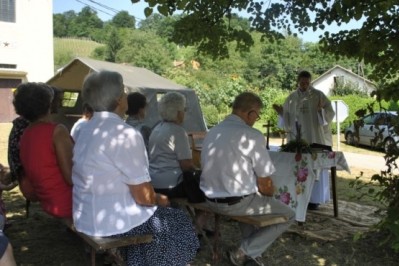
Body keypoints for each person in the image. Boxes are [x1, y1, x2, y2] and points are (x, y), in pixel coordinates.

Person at [72, 71, 199, 266]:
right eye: (123, 92)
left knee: (161, 218)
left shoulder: (85, 128)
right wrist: (158, 198)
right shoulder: (124, 134)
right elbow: (144, 197)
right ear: (119, 100)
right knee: (176, 221)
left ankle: (139, 261)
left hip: (85, 215)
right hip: (110, 222)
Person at [200, 92, 295, 266]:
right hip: (235, 203)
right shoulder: (252, 135)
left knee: (250, 197)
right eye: (257, 115)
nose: (256, 119)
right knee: (289, 214)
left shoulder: (213, 132)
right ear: (250, 113)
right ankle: (243, 251)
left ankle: (250, 253)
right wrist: (270, 194)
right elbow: (265, 184)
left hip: (209, 199)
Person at [273, 70, 335, 210]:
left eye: (307, 83)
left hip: (314, 135)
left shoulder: (318, 95)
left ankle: (314, 200)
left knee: (313, 166)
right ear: (298, 82)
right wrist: (281, 113)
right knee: (299, 167)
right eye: (302, 82)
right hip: (297, 137)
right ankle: (298, 197)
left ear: (310, 82)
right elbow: (287, 120)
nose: (304, 85)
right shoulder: (291, 98)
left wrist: (321, 111)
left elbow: (329, 114)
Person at [13, 82, 73, 220]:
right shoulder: (57, 131)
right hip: (68, 203)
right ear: (49, 103)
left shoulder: (26, 133)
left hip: (48, 202)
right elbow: (71, 177)